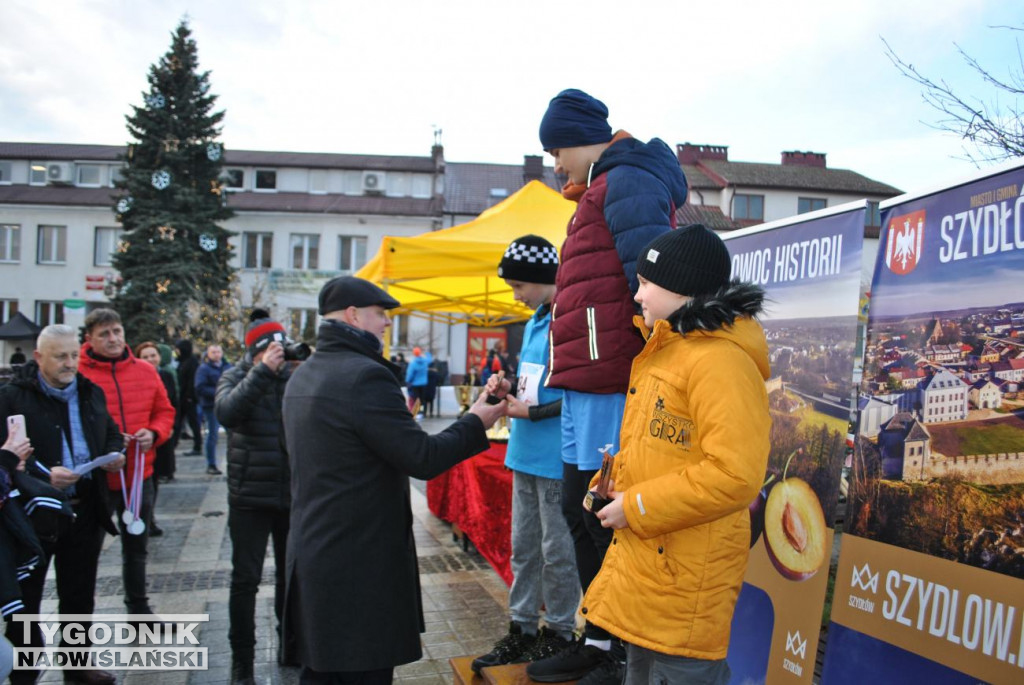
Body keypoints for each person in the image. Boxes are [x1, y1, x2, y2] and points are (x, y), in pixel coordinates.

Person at [526, 88, 690, 684]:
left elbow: (651, 277)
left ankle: (618, 649)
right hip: (581, 377)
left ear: (573, 138)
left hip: (609, 373)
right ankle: (596, 637)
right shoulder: (597, 186)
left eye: (554, 150)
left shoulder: (629, 180)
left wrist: (658, 362)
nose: (554, 164)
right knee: (579, 505)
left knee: (601, 511)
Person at [282, 275, 507, 684]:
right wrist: (476, 420)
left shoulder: (304, 374)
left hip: (315, 555)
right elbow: (421, 457)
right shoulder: (364, 377)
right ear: (353, 315)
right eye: (380, 314)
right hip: (358, 565)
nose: (387, 324)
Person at [583, 225, 771, 684]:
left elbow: (734, 474)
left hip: (688, 576)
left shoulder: (720, 361)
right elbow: (658, 451)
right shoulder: (666, 351)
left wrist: (639, 505)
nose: (637, 294)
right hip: (654, 566)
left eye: (646, 283)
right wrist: (610, 486)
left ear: (680, 287)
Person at [472, 235, 579, 675]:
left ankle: (559, 631)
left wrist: (531, 411)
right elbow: (534, 383)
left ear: (543, 279)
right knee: (523, 548)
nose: (515, 294)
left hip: (556, 457)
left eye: (519, 285)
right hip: (523, 453)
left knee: (558, 551)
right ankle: (522, 629)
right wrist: (507, 386)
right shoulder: (535, 320)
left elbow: (576, 394)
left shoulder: (569, 320)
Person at [1, 324, 126, 685]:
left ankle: (78, 665)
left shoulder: (90, 391)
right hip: (33, 512)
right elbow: (7, 453)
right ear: (39, 357)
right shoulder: (12, 397)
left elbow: (111, 430)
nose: (70, 363)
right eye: (61, 356)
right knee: (27, 596)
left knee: (79, 591)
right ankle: (26, 671)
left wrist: (115, 452)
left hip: (83, 506)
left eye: (74, 355)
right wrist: (43, 475)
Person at [79, 309, 175, 620]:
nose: (113, 339)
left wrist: (155, 432)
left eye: (117, 331)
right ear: (89, 338)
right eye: (104, 333)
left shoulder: (146, 371)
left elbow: (165, 411)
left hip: (138, 476)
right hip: (95, 482)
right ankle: (83, 618)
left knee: (137, 548)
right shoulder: (79, 374)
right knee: (84, 555)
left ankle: (139, 610)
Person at [215, 318, 296, 685]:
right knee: (245, 580)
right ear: (254, 352)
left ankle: (290, 645)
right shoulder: (236, 376)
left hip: (290, 495)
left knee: (291, 577)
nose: (277, 355)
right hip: (248, 497)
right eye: (269, 349)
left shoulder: (293, 379)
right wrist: (262, 372)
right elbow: (227, 413)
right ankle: (241, 661)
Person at [134, 342, 177, 536]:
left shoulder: (166, 375)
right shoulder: (137, 377)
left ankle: (149, 516)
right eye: (146, 356)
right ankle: (144, 517)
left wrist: (171, 426)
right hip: (142, 437)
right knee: (144, 478)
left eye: (153, 355)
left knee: (157, 476)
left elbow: (173, 402)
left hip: (161, 434)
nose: (151, 359)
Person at [195, 344, 231, 475]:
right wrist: (218, 392)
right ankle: (211, 464)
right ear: (208, 354)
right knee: (213, 435)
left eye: (218, 352)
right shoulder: (204, 369)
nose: (216, 354)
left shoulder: (227, 367)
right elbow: (200, 387)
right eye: (213, 352)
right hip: (211, 406)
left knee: (233, 434)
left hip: (227, 404)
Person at [173, 339, 203, 456]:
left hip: (188, 398)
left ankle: (197, 445)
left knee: (193, 422)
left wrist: (190, 396)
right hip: (182, 397)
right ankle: (174, 444)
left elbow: (191, 381)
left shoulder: (192, 362)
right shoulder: (182, 362)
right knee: (179, 422)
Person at [404, 346, 431, 415]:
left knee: (416, 399)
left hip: (415, 384)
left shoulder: (413, 363)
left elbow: (410, 374)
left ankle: (417, 411)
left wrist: (408, 381)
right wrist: (427, 352)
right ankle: (422, 411)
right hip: (424, 383)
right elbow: (430, 359)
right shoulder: (425, 362)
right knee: (422, 399)